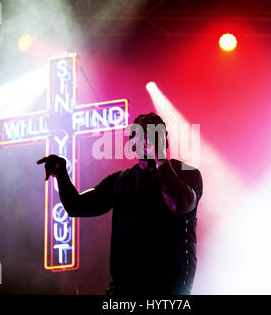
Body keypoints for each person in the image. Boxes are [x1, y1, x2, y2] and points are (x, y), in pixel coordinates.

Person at [37, 112, 203, 295]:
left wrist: (160, 158)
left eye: (152, 133)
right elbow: (76, 206)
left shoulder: (186, 173)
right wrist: (61, 175)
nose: (144, 138)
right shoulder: (120, 181)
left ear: (164, 140)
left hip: (169, 289)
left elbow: (179, 204)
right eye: (138, 133)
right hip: (123, 290)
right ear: (131, 143)